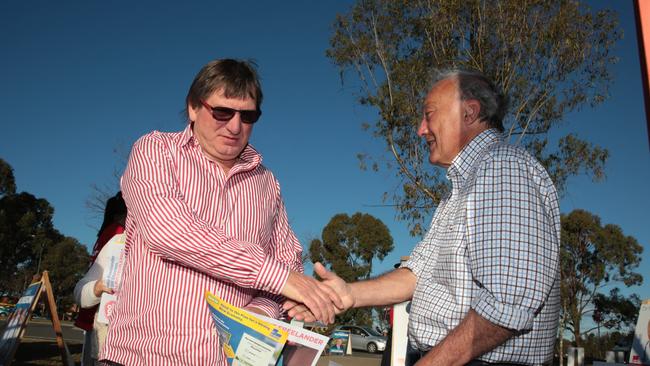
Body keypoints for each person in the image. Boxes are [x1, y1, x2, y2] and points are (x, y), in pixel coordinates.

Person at [288, 69, 561, 366]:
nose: (421, 129)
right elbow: (416, 274)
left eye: (429, 115)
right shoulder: (458, 191)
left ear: (469, 113)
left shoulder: (501, 168)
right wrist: (348, 294)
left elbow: (508, 302)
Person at [100, 59, 341, 365]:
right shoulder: (155, 150)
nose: (235, 126)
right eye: (222, 112)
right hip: (141, 357)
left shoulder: (268, 183)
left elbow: (289, 263)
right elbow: (169, 231)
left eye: (248, 115)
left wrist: (260, 312)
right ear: (192, 107)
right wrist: (280, 279)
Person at [74, 191, 126, 365]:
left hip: (95, 312)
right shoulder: (117, 235)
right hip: (104, 314)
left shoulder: (104, 233)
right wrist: (96, 288)